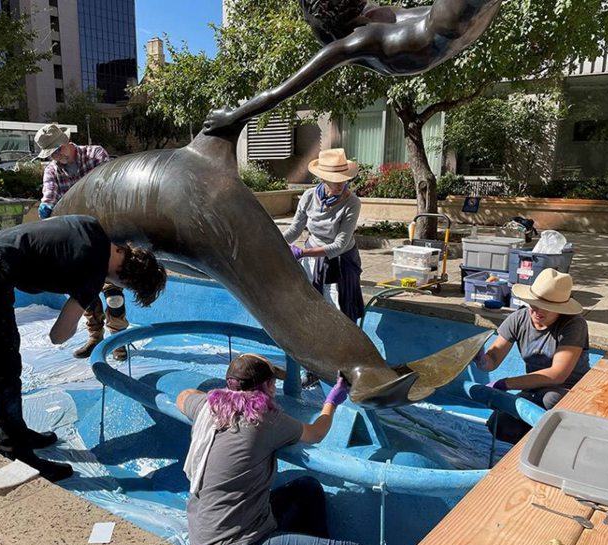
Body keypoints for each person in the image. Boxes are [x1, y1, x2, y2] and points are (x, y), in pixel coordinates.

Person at [0, 215, 167, 481]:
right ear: (124, 279)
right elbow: (57, 336)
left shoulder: (92, 227)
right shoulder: (93, 274)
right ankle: (13, 449)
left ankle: (16, 433)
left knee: (8, 355)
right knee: (2, 365)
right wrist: (78, 307)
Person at [176, 353, 393, 545]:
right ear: (267, 386)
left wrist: (212, 397)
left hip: (207, 538)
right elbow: (316, 432)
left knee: (306, 490)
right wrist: (332, 401)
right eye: (274, 383)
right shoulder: (264, 418)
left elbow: (183, 396)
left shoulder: (208, 407)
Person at [203, 0, 501, 137]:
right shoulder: (353, 42)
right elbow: (281, 91)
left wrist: (233, 116)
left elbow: (277, 93)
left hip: (451, 24)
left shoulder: (377, 21)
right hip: (450, 23)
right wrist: (233, 116)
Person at [35, 122, 128, 362]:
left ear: (68, 141)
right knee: (82, 292)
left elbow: (109, 185)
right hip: (76, 240)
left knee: (113, 292)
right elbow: (49, 195)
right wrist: (46, 209)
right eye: (52, 153)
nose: (57, 156)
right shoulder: (52, 170)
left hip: (106, 233)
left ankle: (117, 340)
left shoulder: (95, 154)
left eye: (59, 149)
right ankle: (94, 338)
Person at [473, 268, 590, 443]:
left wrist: (506, 383)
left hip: (570, 390)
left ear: (561, 309)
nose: (537, 312)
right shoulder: (518, 318)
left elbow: (557, 374)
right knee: (501, 426)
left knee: (551, 400)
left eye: (546, 308)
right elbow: (494, 359)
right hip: (534, 390)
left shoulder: (574, 325)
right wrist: (481, 360)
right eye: (534, 305)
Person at [283, 148, 365, 387]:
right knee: (314, 314)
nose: (340, 185)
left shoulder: (351, 202)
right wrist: (277, 243)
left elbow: (339, 244)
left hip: (339, 263)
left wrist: (303, 251)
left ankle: (345, 368)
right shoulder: (308, 197)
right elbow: (295, 229)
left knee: (340, 316)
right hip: (312, 261)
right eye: (335, 181)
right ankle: (315, 369)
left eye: (344, 181)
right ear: (322, 178)